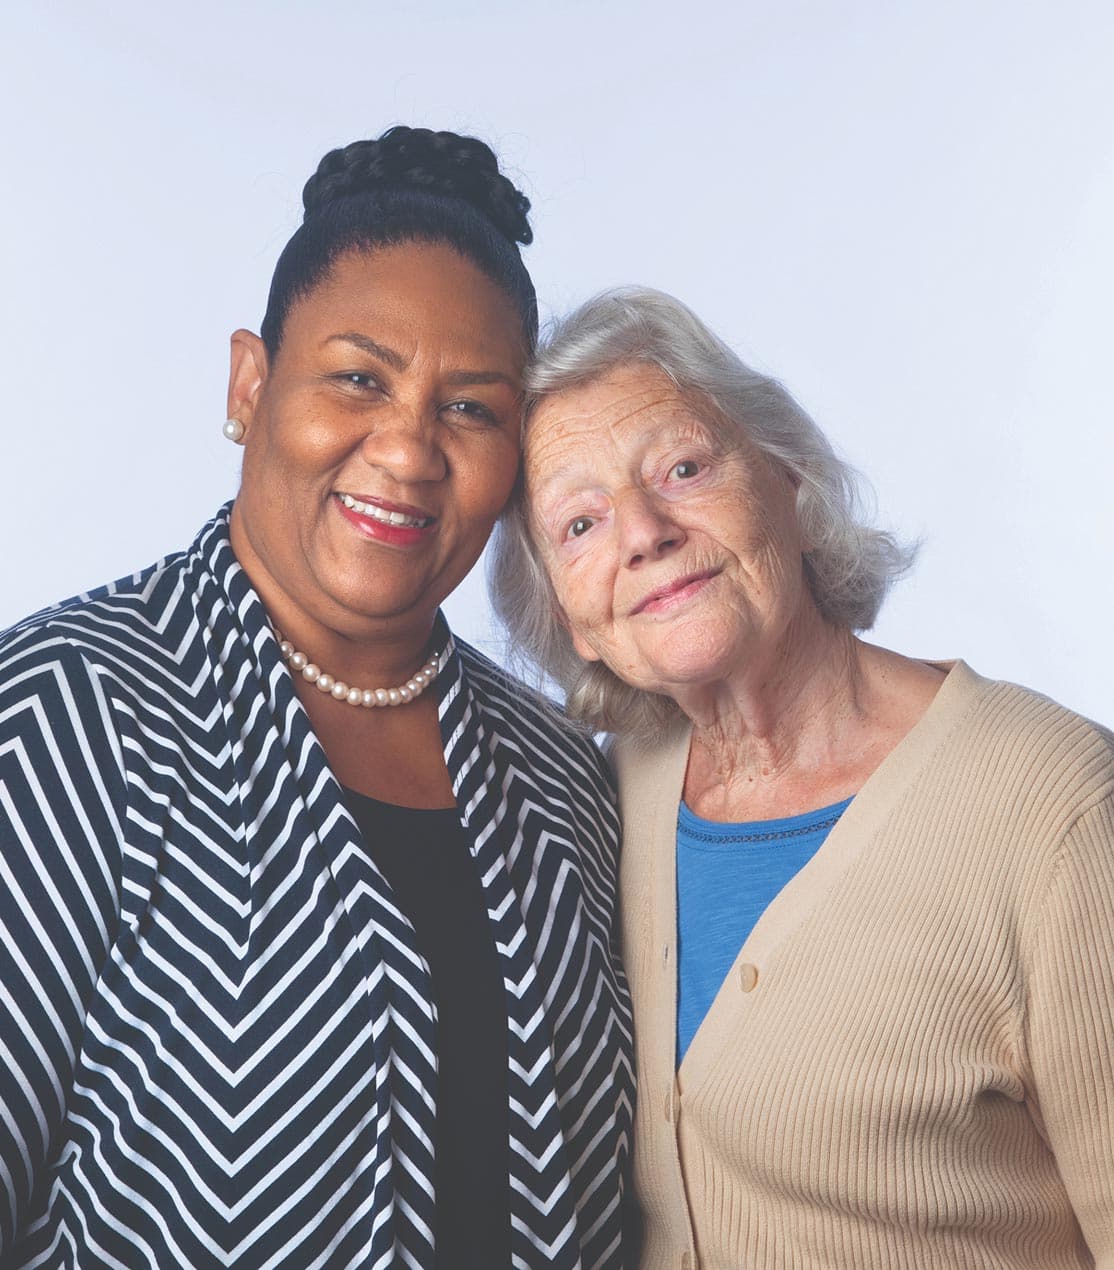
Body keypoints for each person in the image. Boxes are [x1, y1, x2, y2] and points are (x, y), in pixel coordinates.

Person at [0, 128, 633, 1270]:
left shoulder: (561, 778)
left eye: (470, 409)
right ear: (250, 384)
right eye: (359, 378)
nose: (405, 450)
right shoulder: (67, 710)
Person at [491, 285, 1114, 1269]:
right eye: (578, 524)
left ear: (787, 477)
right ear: (569, 616)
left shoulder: (1057, 808)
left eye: (683, 466)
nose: (643, 532)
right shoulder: (599, 804)